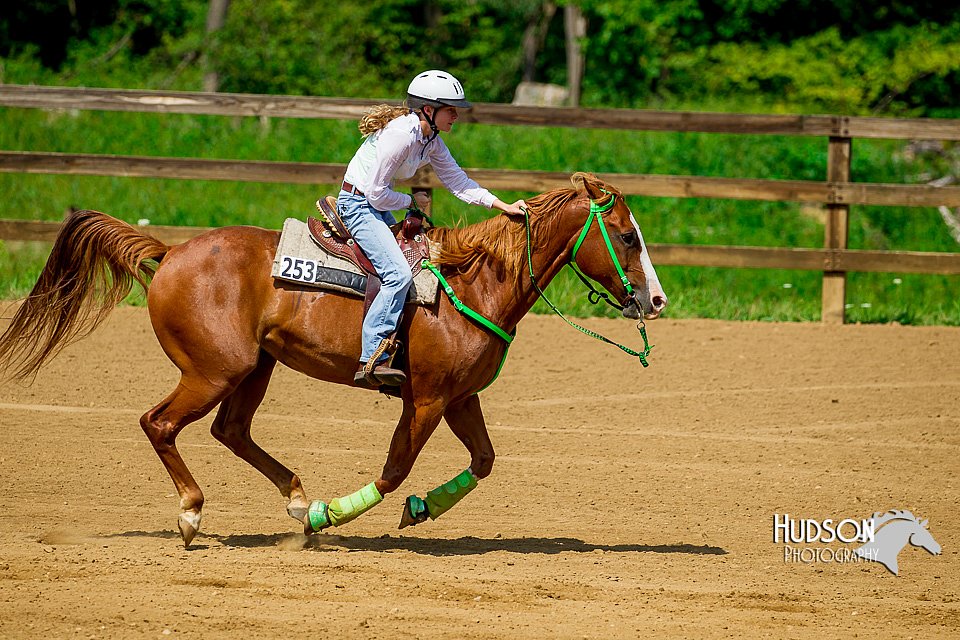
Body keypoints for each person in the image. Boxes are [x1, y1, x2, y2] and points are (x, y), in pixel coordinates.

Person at [338, 69, 526, 388]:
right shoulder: (402, 134)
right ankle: (372, 356)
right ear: (429, 109)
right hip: (357, 204)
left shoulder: (430, 140)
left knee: (418, 261)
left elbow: (458, 182)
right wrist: (410, 203)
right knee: (397, 273)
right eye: (450, 109)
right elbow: (374, 192)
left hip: (374, 202)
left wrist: (502, 205)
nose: (456, 115)